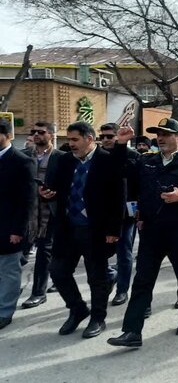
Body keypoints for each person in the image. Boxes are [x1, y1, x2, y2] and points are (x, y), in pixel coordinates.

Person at [107, 118, 178, 347]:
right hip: (151, 231)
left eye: (166, 134)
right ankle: (132, 331)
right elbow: (118, 171)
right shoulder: (147, 161)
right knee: (143, 280)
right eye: (158, 134)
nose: (161, 138)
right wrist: (120, 145)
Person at [40, 121, 124, 338]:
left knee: (96, 276)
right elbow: (57, 188)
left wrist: (113, 230)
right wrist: (48, 193)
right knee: (58, 271)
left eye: (75, 139)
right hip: (68, 227)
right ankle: (77, 309)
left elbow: (117, 198)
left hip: (95, 229)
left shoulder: (108, 160)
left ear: (89, 138)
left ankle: (98, 318)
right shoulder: (65, 160)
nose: (71, 144)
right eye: (69, 140)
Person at [20, 122, 65, 309]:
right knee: (19, 251)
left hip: (51, 211)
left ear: (51, 135)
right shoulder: (24, 156)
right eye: (33, 132)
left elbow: (67, 184)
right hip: (28, 211)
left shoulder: (61, 157)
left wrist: (55, 193)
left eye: (41, 132)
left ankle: (38, 292)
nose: (36, 135)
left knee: (45, 250)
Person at [99, 123, 140, 307]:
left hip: (126, 214)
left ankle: (122, 290)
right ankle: (109, 276)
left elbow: (138, 185)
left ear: (119, 136)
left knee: (124, 252)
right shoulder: (97, 157)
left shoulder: (133, 157)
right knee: (99, 253)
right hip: (102, 214)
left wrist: (138, 209)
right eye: (103, 136)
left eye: (110, 136)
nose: (106, 140)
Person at [0, 119, 36, 330]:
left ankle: (5, 311)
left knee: (9, 270)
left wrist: (18, 230)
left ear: (6, 135)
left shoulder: (22, 161)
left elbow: (28, 201)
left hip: (9, 228)